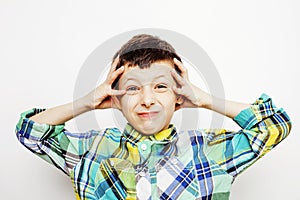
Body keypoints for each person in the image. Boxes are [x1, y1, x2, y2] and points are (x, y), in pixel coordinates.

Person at [15, 34, 292, 200]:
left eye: (161, 86)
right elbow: (30, 132)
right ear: (115, 97)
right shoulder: (89, 150)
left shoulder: (208, 152)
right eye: (133, 88)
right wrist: (85, 104)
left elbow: (274, 125)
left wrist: (206, 100)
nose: (147, 99)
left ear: (178, 96)